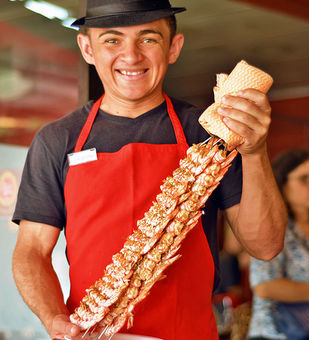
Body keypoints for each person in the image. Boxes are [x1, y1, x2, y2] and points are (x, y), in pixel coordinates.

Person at [11, 1, 287, 339]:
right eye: (112, 40)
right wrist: (53, 317)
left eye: (148, 39)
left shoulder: (209, 133)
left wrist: (256, 152)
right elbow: (32, 251)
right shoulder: (59, 140)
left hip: (189, 332)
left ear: (174, 48)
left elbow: (265, 246)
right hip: (92, 334)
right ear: (87, 48)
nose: (131, 56)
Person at [248, 149, 309, 340]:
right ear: (282, 184)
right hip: (275, 333)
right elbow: (265, 286)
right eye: (304, 179)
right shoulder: (273, 229)